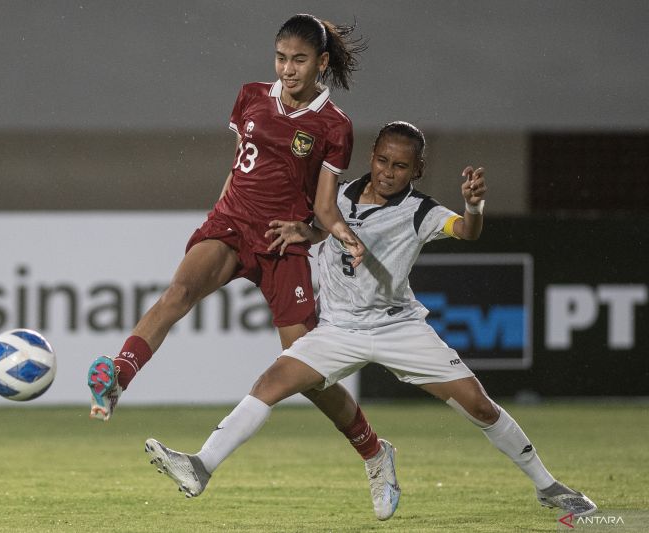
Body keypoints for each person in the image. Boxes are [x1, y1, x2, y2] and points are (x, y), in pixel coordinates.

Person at [143, 121, 598, 520]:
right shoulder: (336, 194)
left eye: (400, 167)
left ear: (416, 170)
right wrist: (300, 230)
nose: (388, 171)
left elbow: (465, 230)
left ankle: (547, 485)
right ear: (372, 156)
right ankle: (201, 466)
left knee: (479, 406)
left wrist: (474, 207)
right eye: (383, 160)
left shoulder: (421, 211)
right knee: (271, 383)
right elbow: (319, 225)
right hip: (339, 329)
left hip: (399, 328)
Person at [86, 13, 396, 512]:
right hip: (233, 222)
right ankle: (117, 377)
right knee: (178, 294)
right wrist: (219, 215)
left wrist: (311, 234)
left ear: (320, 63)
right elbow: (238, 166)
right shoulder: (251, 96)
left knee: (310, 374)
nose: (288, 69)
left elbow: (324, 208)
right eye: (280, 58)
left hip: (284, 243)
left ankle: (374, 450)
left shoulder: (333, 126)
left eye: (299, 60)